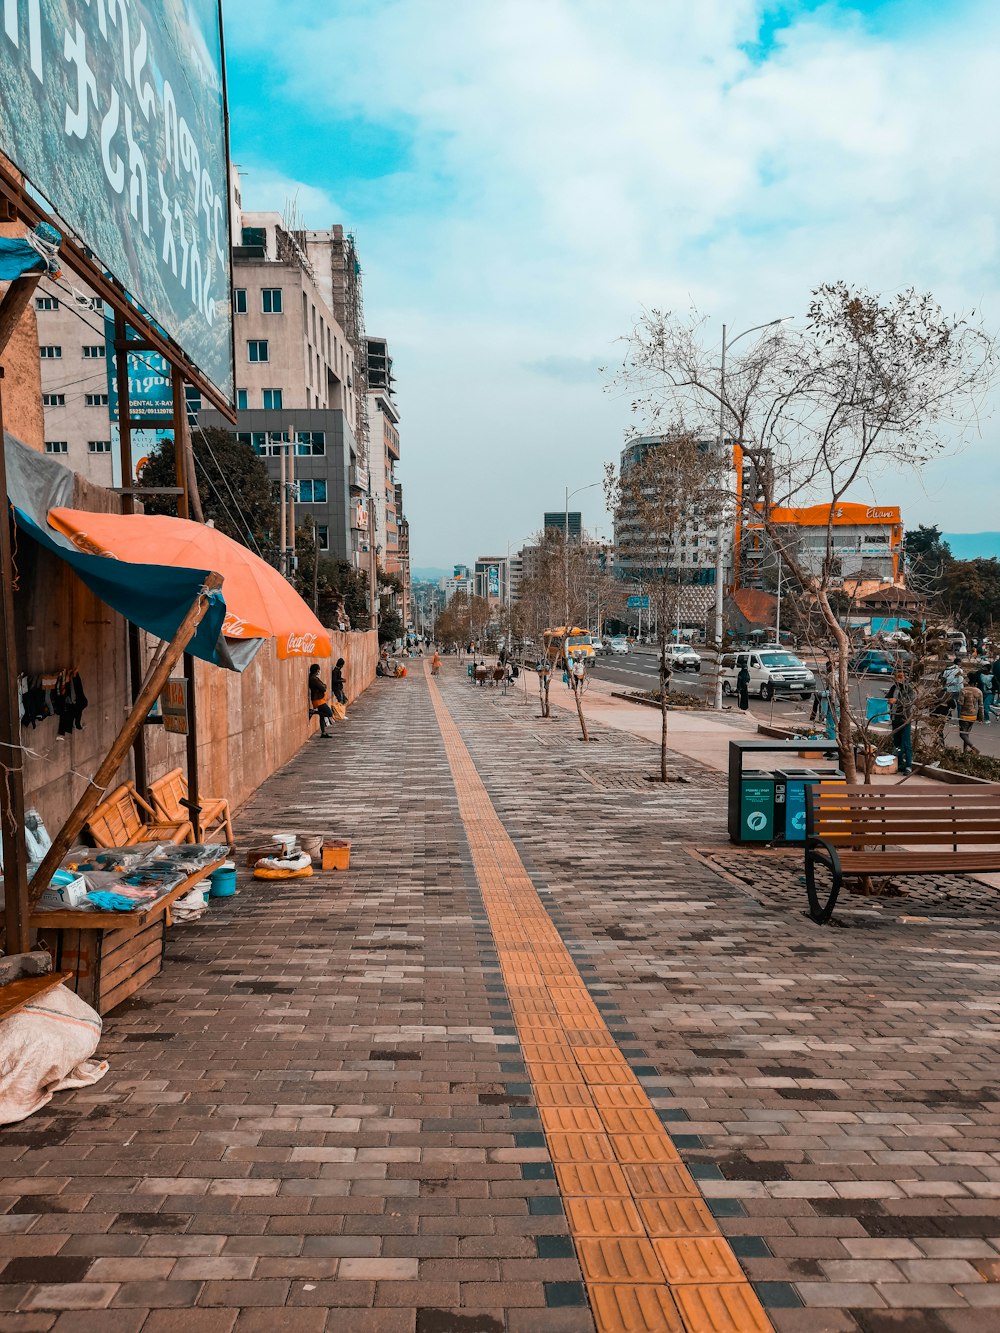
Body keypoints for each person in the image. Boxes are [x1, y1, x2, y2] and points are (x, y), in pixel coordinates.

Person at [886, 668, 915, 775]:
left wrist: (896, 701)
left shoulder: (909, 689)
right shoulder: (894, 688)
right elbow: (887, 698)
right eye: (897, 676)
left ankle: (908, 766)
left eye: (901, 677)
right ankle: (900, 763)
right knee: (897, 743)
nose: (898, 679)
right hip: (894, 718)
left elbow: (910, 701)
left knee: (906, 743)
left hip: (904, 719)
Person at [958, 676, 984, 753]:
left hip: (964, 715)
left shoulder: (963, 690)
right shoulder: (979, 691)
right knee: (967, 734)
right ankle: (965, 751)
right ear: (975, 683)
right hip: (973, 715)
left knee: (962, 735)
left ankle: (974, 748)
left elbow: (961, 703)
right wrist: (981, 718)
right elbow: (981, 706)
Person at [308, 664, 333, 738]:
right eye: (318, 670)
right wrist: (324, 686)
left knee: (322, 716)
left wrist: (324, 685)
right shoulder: (314, 679)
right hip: (318, 700)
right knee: (329, 713)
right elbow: (323, 688)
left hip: (320, 699)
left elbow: (323, 685)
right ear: (316, 670)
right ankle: (313, 712)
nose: (319, 671)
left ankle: (323, 733)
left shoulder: (314, 678)